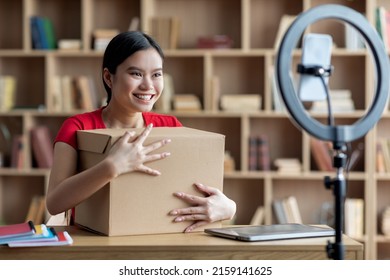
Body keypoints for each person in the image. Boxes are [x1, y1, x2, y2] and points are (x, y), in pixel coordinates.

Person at [46, 31, 236, 233]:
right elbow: (55, 203)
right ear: (109, 78)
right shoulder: (78, 127)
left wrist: (229, 208)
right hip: (94, 244)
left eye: (156, 74)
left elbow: (198, 191)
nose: (148, 85)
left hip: (160, 242)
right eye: (136, 74)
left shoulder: (171, 126)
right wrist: (112, 166)